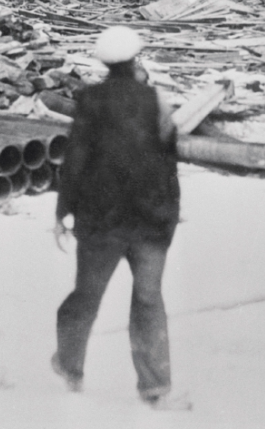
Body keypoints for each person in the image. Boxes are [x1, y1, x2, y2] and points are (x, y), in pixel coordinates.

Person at [52, 26, 190, 411]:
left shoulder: (89, 100)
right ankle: (156, 387)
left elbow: (75, 160)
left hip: (102, 221)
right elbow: (169, 157)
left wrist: (63, 211)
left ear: (104, 62)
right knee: (148, 300)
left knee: (86, 297)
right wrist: (169, 214)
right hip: (149, 219)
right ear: (135, 60)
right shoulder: (154, 100)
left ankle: (69, 366)